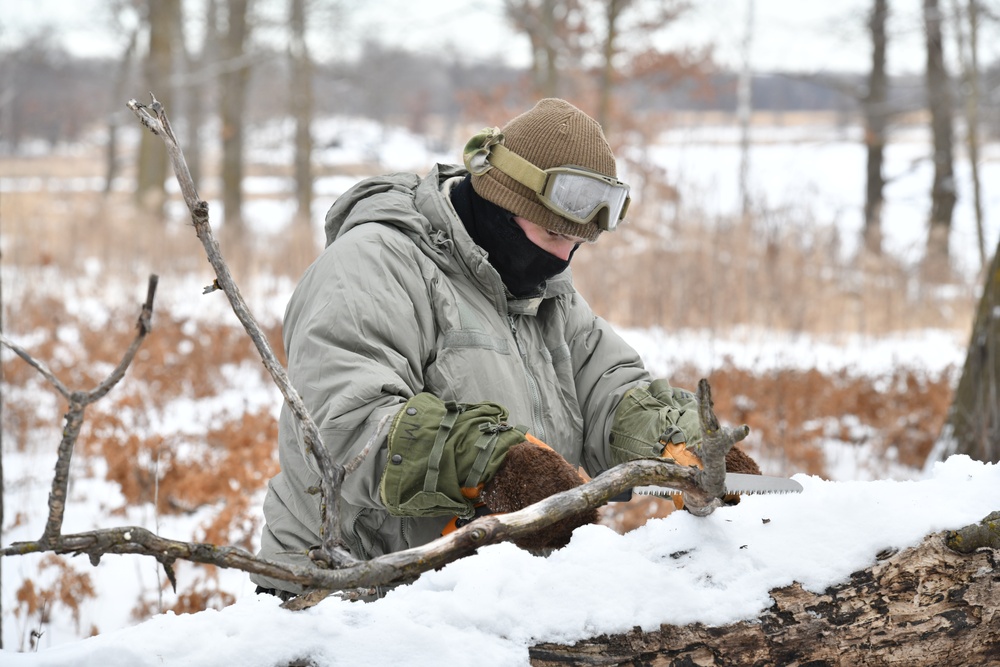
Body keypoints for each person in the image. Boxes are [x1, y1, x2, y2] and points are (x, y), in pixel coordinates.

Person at [251, 98, 759, 598]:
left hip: (475, 595)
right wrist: (495, 463)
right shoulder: (372, 265)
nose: (563, 256)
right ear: (500, 202)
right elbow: (343, 426)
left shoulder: (543, 289)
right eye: (554, 233)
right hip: (344, 591)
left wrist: (684, 443)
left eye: (578, 242)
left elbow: (610, 391)